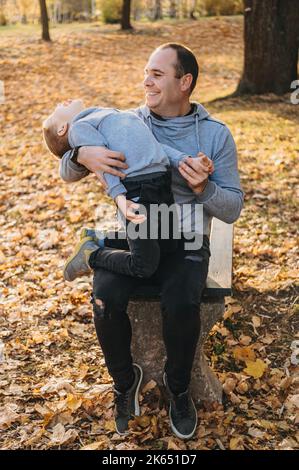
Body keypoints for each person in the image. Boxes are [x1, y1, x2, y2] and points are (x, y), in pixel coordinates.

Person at [59, 43, 244, 439]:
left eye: (157, 74)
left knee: (180, 305)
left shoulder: (214, 135)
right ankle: (125, 382)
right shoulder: (128, 121)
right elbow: (65, 167)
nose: (146, 80)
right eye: (146, 72)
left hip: (186, 242)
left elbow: (232, 208)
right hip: (137, 236)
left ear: (185, 81)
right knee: (105, 299)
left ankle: (179, 389)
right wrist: (81, 154)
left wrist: (205, 189)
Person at [43, 100, 214, 283]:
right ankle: (90, 254)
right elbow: (105, 166)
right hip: (136, 191)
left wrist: (184, 160)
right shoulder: (80, 128)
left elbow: (154, 145)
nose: (61, 102)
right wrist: (120, 198)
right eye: (56, 109)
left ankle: (101, 239)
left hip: (161, 183)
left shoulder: (108, 114)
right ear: (63, 129)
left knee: (169, 244)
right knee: (144, 265)